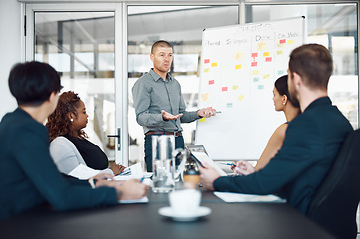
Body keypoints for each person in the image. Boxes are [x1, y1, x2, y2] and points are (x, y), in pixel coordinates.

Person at [199, 44, 353, 215]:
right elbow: (312, 178)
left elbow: (264, 184)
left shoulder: (306, 125)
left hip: (303, 226)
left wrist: (216, 181)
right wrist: (255, 174)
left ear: (296, 79)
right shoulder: (339, 121)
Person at [0, 61, 148, 220]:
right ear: (52, 96)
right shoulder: (27, 130)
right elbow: (62, 196)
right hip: (20, 223)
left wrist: (93, 183)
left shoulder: (12, 122)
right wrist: (120, 193)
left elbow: (52, 178)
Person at [132, 40, 217, 171]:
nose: (167, 59)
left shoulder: (175, 84)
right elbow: (140, 117)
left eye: (170, 55)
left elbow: (181, 115)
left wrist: (198, 113)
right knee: (159, 184)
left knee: (179, 182)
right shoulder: (143, 83)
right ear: (152, 57)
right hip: (158, 142)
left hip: (178, 141)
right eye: (162, 55)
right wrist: (162, 117)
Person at [232, 75, 300, 175]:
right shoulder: (307, 126)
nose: (273, 99)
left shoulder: (284, 130)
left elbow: (258, 171)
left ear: (284, 99)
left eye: (274, 94)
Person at [46, 91, 126, 176]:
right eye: (83, 112)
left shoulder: (78, 138)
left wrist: (111, 170)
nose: (87, 115)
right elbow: (76, 179)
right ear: (71, 116)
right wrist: (110, 172)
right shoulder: (60, 145)